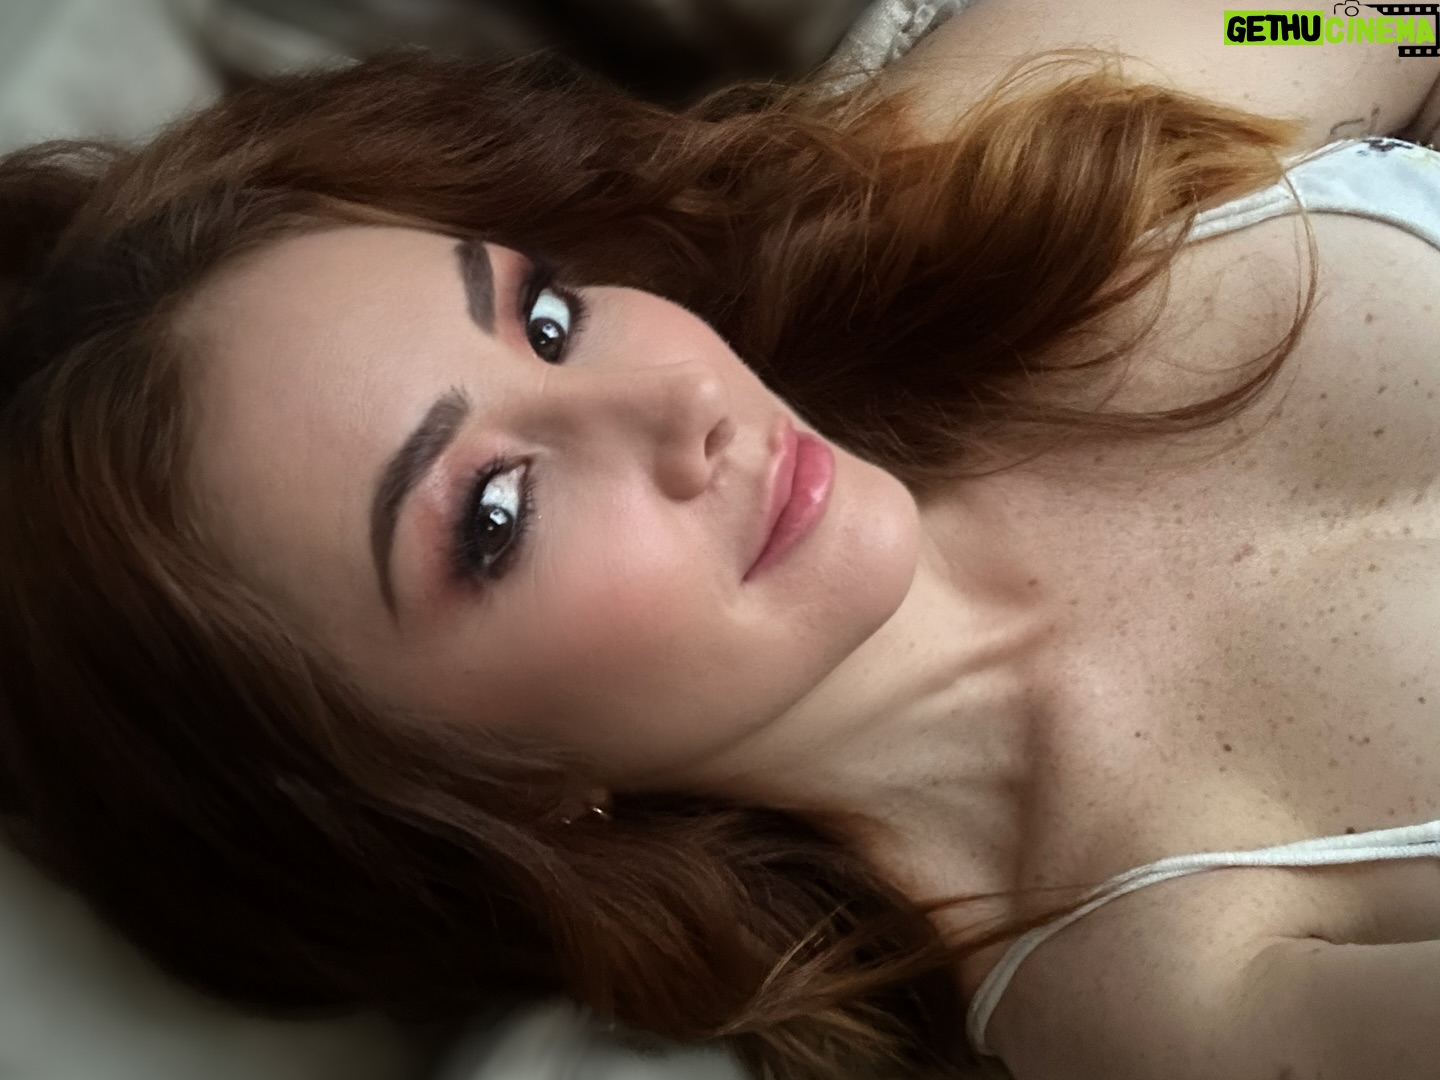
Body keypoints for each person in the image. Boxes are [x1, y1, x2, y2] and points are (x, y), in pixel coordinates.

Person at [1, 0, 1439, 1076]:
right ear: (480, 791)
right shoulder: (1173, 988)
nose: (685, 400)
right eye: (496, 513)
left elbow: (1354, 10)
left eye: (544, 318)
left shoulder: (953, 188)